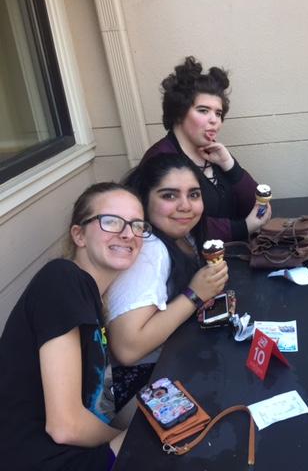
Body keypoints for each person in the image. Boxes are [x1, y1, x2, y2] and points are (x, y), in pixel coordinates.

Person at [0, 182, 148, 469]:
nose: (128, 233)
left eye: (137, 225)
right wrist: (127, 438)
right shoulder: (61, 279)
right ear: (78, 235)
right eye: (111, 221)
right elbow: (65, 426)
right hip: (45, 460)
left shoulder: (89, 299)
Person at [106, 154, 228, 410]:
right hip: (139, 388)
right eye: (169, 195)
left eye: (194, 194)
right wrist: (195, 294)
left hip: (177, 358)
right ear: (144, 201)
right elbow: (127, 349)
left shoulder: (184, 236)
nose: (185, 206)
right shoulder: (149, 250)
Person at [142, 56, 271, 242]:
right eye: (203, 110)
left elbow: (259, 205)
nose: (214, 120)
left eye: (218, 113)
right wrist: (242, 228)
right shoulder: (160, 158)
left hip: (239, 256)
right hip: (200, 265)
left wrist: (230, 165)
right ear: (179, 113)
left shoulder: (214, 153)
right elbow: (178, 222)